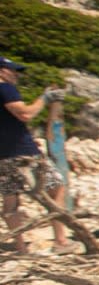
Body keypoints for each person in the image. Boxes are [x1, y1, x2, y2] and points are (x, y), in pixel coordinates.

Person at [0, 58, 71, 254]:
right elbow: (25, 114)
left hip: (2, 154)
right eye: (13, 71)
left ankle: (21, 247)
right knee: (56, 188)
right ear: (2, 71)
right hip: (24, 152)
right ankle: (61, 241)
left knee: (10, 201)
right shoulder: (5, 88)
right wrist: (45, 99)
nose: (17, 75)